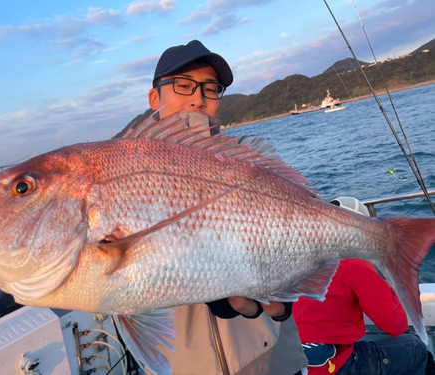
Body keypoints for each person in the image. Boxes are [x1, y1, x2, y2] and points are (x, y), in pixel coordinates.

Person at [116, 40, 308, 375]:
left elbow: (294, 218)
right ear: (154, 97)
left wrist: (286, 280)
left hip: (274, 362)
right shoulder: (123, 169)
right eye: (184, 85)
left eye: (210, 88)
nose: (198, 98)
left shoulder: (252, 153)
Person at [292, 197, 432, 375]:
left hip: (291, 363)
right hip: (331, 367)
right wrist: (387, 283)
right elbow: (397, 325)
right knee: (415, 348)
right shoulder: (353, 263)